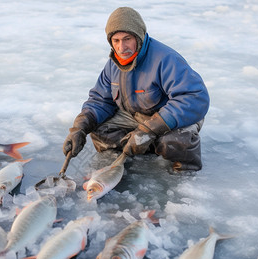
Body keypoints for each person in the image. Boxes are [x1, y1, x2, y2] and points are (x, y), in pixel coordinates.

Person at [63, 7, 210, 171]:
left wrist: (149, 130)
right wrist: (80, 128)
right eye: (116, 40)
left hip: (173, 118)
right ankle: (142, 147)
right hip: (137, 116)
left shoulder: (165, 59)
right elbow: (100, 100)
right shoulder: (114, 63)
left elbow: (194, 97)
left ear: (139, 37)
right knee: (99, 130)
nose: (121, 47)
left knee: (174, 142)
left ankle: (185, 169)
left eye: (127, 39)